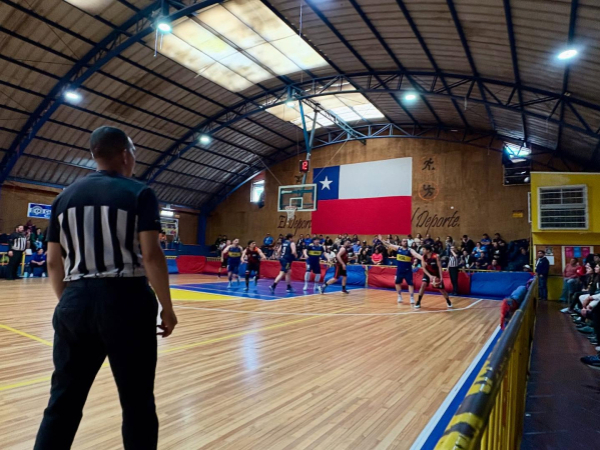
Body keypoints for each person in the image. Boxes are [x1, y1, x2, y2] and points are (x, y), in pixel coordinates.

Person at [34, 126, 177, 450]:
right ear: (125, 155)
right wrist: (167, 308)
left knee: (63, 402)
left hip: (75, 299)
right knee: (137, 402)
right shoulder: (139, 193)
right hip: (126, 300)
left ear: (95, 154)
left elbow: (54, 262)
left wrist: (70, 300)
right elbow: (152, 256)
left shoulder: (63, 198)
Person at [380, 236, 418, 304]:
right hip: (400, 270)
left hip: (408, 270)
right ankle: (399, 296)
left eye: (406, 241)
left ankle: (412, 297)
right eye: (404, 241)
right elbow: (389, 245)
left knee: (410, 284)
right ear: (401, 242)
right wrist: (382, 240)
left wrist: (423, 258)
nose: (405, 242)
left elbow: (416, 254)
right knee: (397, 283)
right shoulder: (398, 248)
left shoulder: (410, 250)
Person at [414, 244, 453, 309]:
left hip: (436, 273)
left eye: (424, 249)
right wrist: (430, 276)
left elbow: (439, 267)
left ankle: (448, 301)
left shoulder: (436, 256)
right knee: (423, 284)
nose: (422, 250)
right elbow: (423, 268)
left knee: (441, 290)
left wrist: (441, 278)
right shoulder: (423, 257)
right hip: (428, 273)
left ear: (428, 250)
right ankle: (418, 301)